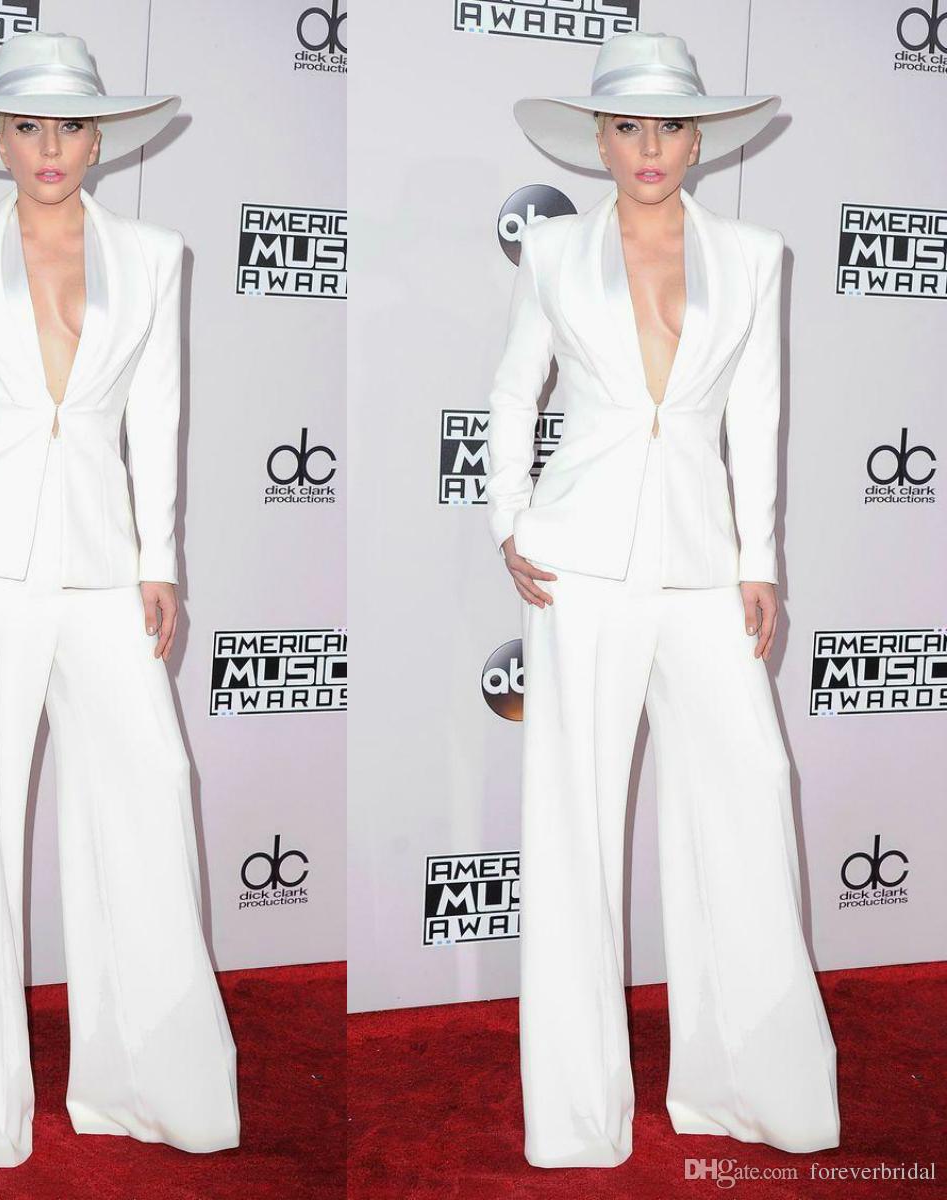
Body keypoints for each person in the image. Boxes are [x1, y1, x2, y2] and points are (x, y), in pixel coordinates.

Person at [486, 31, 840, 1168]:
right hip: (577, 561)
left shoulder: (754, 254)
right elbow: (512, 391)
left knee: (750, 789)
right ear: (598, 140)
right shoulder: (553, 250)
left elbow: (758, 415)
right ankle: (579, 1118)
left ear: (701, 139)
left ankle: (752, 1092)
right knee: (574, 828)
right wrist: (507, 520)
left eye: (670, 126)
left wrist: (759, 559)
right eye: (627, 126)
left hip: (700, 562)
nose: (649, 146)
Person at [0, 31, 239, 1168]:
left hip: (100, 564)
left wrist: (159, 558)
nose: (49, 146)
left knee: (151, 789)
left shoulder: (154, 254)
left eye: (69, 125)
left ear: (101, 139)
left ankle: (150, 1091)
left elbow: (157, 414)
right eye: (27, 126)